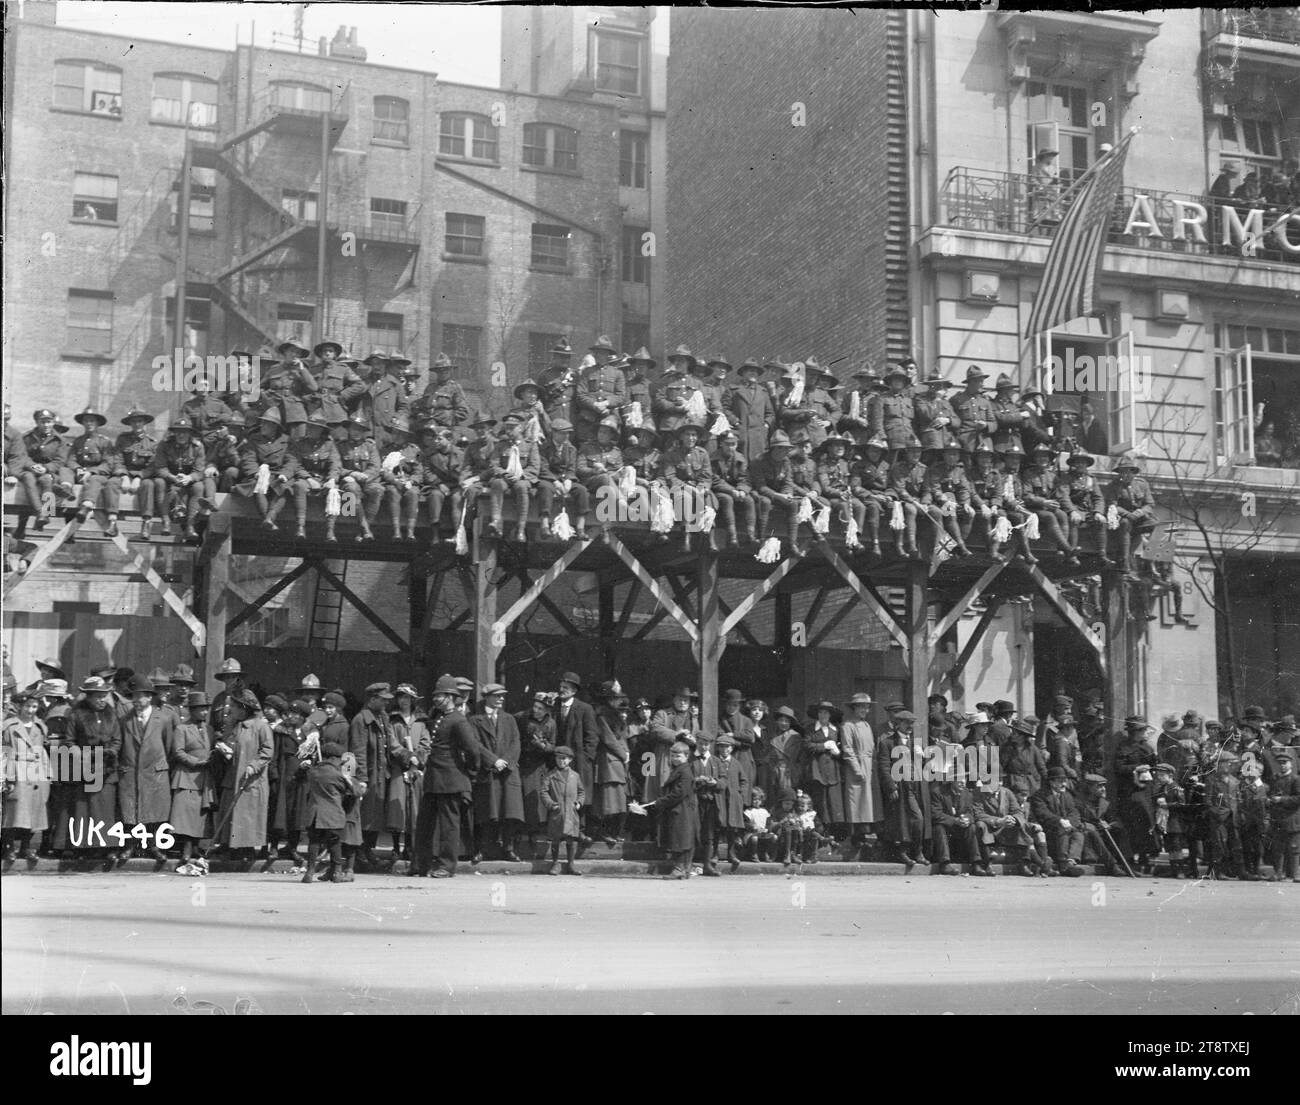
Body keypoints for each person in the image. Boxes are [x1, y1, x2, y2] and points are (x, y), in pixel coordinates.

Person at [415, 675, 492, 878]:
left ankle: (446, 866)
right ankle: (420, 864)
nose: (435, 699)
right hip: (433, 779)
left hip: (451, 780)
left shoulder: (458, 720)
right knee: (424, 824)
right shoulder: (441, 717)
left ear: (449, 696)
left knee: (449, 826)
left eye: (439, 695)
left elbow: (474, 750)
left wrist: (471, 773)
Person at [117, 673, 176, 870]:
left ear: (149, 697)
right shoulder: (125, 719)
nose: (136, 700)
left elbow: (169, 747)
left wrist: (158, 763)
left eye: (140, 696)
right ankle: (130, 846)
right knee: (131, 812)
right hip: (131, 771)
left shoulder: (163, 718)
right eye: (133, 696)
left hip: (155, 771)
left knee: (154, 812)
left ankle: (154, 846)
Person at [212, 690, 273, 871]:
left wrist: (254, 766)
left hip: (251, 779)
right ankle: (231, 848)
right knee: (231, 814)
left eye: (235, 707)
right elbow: (232, 745)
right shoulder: (236, 726)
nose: (231, 710)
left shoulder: (261, 726)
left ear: (244, 709)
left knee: (248, 816)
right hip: (234, 776)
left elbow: (267, 751)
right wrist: (226, 749)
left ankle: (247, 850)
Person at [470, 682, 524, 862]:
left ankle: (508, 849)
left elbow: (516, 743)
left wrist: (506, 762)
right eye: (497, 696)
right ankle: (484, 849)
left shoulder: (509, 719)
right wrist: (494, 760)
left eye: (502, 696)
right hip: (489, 771)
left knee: (509, 812)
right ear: (487, 697)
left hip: (508, 772)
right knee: (488, 813)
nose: (501, 699)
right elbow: (475, 744)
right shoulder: (475, 719)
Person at [876, 709, 931, 871]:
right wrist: (891, 786)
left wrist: (923, 756)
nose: (909, 727)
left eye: (911, 724)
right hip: (900, 785)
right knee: (905, 820)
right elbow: (884, 766)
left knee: (918, 819)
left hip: (916, 784)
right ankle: (905, 851)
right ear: (897, 724)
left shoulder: (916, 742)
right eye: (906, 723)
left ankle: (917, 851)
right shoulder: (888, 743)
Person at [1, 689, 50, 871]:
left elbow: (42, 751)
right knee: (13, 813)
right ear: (20, 706)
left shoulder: (40, 727)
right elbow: (5, 751)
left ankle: (27, 848)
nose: (30, 710)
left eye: (34, 706)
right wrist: (8, 776)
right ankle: (9, 848)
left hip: (36, 772)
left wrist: (46, 775)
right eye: (28, 706)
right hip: (18, 771)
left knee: (33, 812)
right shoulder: (10, 727)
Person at [350, 683, 395, 872]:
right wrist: (361, 778)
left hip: (381, 774)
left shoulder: (383, 718)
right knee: (365, 816)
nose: (385, 703)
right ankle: (360, 854)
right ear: (372, 699)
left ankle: (368, 851)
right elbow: (358, 751)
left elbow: (391, 745)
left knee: (376, 816)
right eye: (382, 699)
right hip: (368, 775)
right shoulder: (361, 720)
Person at [169, 691, 214, 876]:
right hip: (187, 775)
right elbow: (178, 752)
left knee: (199, 816)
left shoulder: (209, 730)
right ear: (192, 710)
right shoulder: (182, 729)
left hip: (204, 778)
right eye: (200, 709)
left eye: (205, 709)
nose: (203, 713)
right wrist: (197, 762)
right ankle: (186, 851)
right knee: (186, 816)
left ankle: (196, 849)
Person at [640, 741, 699, 879]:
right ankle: (684, 869)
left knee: (680, 839)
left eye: (678, 756)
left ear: (686, 756)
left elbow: (679, 793)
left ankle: (679, 869)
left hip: (681, 810)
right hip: (680, 809)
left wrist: (661, 802)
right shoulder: (681, 770)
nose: (674, 759)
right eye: (672, 756)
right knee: (682, 839)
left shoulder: (684, 771)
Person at [553, 672, 599, 845]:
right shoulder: (555, 706)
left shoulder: (585, 708)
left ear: (574, 690)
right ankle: (561, 830)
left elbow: (592, 736)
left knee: (579, 794)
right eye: (561, 687)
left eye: (565, 688)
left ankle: (579, 831)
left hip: (579, 760)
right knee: (560, 793)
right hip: (559, 759)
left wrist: (586, 758)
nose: (561, 690)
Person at [386, 683, 429, 864]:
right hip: (398, 767)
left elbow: (426, 743)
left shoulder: (421, 721)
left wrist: (417, 759)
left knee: (415, 808)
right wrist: (407, 756)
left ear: (413, 700)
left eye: (408, 698)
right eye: (401, 697)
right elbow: (393, 743)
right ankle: (396, 847)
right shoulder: (392, 720)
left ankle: (410, 847)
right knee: (398, 807)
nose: (404, 701)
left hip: (416, 769)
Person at [301, 741, 350, 884]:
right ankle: (336, 873)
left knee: (314, 842)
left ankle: (309, 872)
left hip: (315, 815)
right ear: (334, 758)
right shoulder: (337, 774)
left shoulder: (313, 771)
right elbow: (352, 790)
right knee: (335, 843)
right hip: (333, 815)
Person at [839, 691, 881, 858]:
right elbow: (848, 749)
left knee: (869, 804)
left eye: (867, 707)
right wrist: (857, 769)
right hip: (857, 767)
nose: (864, 710)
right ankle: (856, 838)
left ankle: (867, 836)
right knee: (857, 804)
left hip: (870, 766)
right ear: (854, 708)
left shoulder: (866, 725)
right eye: (861, 706)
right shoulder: (848, 725)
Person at [517, 692, 557, 849]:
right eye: (535, 706)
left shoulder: (551, 724)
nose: (536, 710)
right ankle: (520, 832)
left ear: (547, 710)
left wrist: (543, 746)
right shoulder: (522, 717)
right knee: (523, 797)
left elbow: (553, 745)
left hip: (539, 764)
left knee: (536, 799)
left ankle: (534, 832)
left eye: (540, 708)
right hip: (524, 762)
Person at [593, 683, 631, 846]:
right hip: (609, 760)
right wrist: (624, 754)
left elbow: (621, 738)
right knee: (609, 800)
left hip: (618, 761)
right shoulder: (602, 716)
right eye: (615, 698)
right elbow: (609, 738)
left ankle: (613, 831)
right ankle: (605, 832)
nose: (618, 702)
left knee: (618, 799)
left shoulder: (615, 716)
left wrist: (625, 754)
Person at [1031, 767, 1087, 876]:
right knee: (1062, 831)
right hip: (1049, 831)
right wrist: (1060, 821)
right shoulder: (1040, 796)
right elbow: (1043, 814)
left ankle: (1071, 862)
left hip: (1065, 829)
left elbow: (1074, 812)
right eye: (1060, 781)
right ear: (1051, 782)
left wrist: (1069, 823)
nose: (1064, 784)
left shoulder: (1067, 795)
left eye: (1065, 781)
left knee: (1078, 835)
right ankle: (1063, 864)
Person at [540, 746, 585, 875]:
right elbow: (543, 792)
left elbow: (581, 792)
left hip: (571, 812)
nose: (561, 761)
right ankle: (555, 863)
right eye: (558, 759)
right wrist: (551, 804)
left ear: (570, 760)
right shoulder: (550, 775)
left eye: (564, 759)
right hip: (558, 812)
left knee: (571, 839)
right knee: (556, 838)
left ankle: (571, 864)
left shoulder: (575, 776)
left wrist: (579, 803)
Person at [803, 701, 845, 836]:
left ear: (830, 715)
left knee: (834, 802)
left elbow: (843, 749)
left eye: (826, 712)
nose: (823, 715)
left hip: (833, 770)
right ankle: (821, 834)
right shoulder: (810, 729)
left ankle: (834, 834)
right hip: (817, 771)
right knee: (821, 802)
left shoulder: (836, 730)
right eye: (820, 712)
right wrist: (824, 746)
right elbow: (806, 746)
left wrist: (838, 752)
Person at [930, 775, 987, 876]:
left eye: (964, 779)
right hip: (945, 827)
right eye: (959, 780)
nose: (963, 782)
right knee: (939, 827)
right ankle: (945, 864)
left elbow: (970, 813)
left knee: (972, 827)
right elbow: (936, 814)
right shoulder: (938, 792)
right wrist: (955, 820)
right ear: (952, 781)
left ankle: (976, 863)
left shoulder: (967, 794)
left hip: (960, 827)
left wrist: (966, 820)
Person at [1266, 753, 1300, 882]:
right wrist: (1270, 801)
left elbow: (1298, 798)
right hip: (1278, 819)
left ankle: (1296, 875)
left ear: (1291, 764)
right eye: (1280, 763)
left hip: (1292, 819)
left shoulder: (1296, 779)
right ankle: (1279, 873)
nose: (1283, 766)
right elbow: (1270, 794)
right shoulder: (1275, 779)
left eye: (1285, 763)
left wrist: (1281, 799)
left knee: (1294, 848)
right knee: (1278, 848)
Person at [742, 786, 775, 862]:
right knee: (755, 838)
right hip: (752, 833)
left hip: (763, 832)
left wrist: (767, 828)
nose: (757, 801)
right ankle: (753, 854)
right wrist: (753, 827)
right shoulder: (748, 811)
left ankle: (765, 853)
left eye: (759, 800)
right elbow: (746, 824)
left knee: (773, 837)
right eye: (754, 799)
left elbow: (768, 823)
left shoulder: (764, 811)